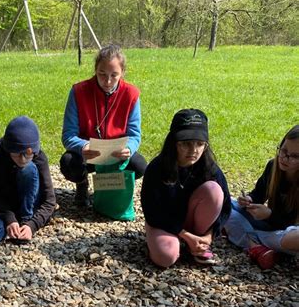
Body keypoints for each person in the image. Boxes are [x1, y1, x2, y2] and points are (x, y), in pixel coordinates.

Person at [141, 108, 231, 268]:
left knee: (215, 191)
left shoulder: (210, 169)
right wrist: (186, 236)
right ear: (173, 143)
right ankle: (178, 243)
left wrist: (209, 237)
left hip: (195, 224)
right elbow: (152, 211)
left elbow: (225, 207)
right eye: (186, 144)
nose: (194, 150)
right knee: (165, 258)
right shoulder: (157, 168)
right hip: (164, 222)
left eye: (200, 144)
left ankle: (197, 245)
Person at [60, 43, 147, 206]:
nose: (107, 81)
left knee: (140, 165)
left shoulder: (131, 94)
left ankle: (112, 189)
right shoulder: (79, 91)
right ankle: (82, 183)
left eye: (114, 75)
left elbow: (134, 133)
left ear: (123, 73)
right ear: (95, 70)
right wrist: (83, 146)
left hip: (116, 153)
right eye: (102, 74)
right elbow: (68, 134)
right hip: (88, 154)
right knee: (68, 162)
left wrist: (128, 148)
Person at [223, 125, 299, 269]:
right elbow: (258, 194)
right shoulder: (273, 166)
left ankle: (249, 240)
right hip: (267, 228)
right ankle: (256, 247)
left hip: (286, 234)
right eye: (283, 150)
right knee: (224, 202)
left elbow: (290, 224)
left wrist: (269, 215)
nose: (285, 158)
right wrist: (249, 200)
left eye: (294, 156)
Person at [0, 116, 56, 244]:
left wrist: (31, 225)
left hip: (31, 205)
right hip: (5, 206)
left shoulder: (39, 158)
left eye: (27, 155)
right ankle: (14, 227)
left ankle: (25, 220)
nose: (22, 160)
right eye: (16, 155)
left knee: (28, 169)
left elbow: (50, 201)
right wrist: (9, 219)